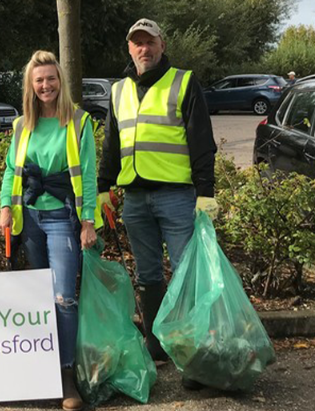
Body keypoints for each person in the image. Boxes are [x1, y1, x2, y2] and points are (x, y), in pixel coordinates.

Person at [98, 18, 218, 390]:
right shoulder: (119, 91)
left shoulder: (183, 81)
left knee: (185, 276)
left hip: (177, 196)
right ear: (130, 49)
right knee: (148, 275)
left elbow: (201, 139)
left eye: (150, 42)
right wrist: (104, 186)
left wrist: (205, 191)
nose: (143, 49)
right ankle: (156, 345)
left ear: (162, 46)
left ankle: (190, 355)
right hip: (135, 198)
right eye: (137, 43)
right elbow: (111, 145)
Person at [0, 50, 103, 411]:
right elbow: (12, 170)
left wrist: (88, 221)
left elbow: (87, 173)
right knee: (39, 299)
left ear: (61, 81)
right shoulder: (20, 125)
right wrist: (5, 207)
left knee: (63, 298)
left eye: (51, 79)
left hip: (62, 218)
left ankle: (66, 374)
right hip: (29, 219)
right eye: (38, 80)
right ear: (31, 84)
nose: (46, 86)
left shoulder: (78, 121)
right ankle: (41, 370)